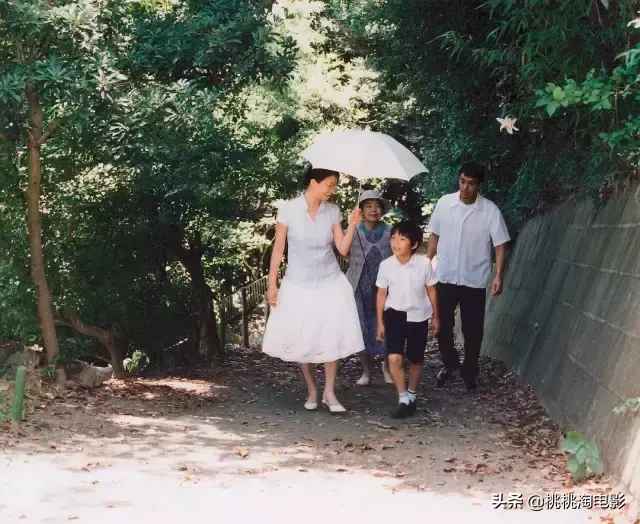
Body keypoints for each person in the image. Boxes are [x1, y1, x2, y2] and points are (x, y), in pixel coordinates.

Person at [263, 166, 364, 413]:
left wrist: (352, 225)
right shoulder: (288, 209)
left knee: (330, 336)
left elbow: (342, 248)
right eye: (329, 184)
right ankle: (311, 389)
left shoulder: (332, 211)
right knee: (303, 338)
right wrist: (272, 284)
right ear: (313, 182)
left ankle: (330, 392)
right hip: (298, 282)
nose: (332, 190)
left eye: (334, 185)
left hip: (329, 280)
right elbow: (278, 249)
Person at [426, 162, 510, 390]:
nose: (465, 187)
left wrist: (498, 275)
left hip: (474, 278)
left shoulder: (489, 210)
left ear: (479, 185)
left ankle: (470, 370)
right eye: (462, 181)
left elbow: (500, 244)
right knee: (441, 326)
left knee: (473, 330)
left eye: (471, 183)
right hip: (445, 275)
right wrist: (426, 263)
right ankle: (450, 362)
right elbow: (434, 234)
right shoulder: (445, 204)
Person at [375, 221, 439, 419]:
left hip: (418, 316)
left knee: (416, 360)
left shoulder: (424, 264)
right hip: (394, 315)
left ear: (413, 244)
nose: (396, 243)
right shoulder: (386, 266)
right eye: (394, 237)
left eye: (402, 239)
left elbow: (431, 290)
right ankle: (402, 397)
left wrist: (436, 316)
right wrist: (379, 322)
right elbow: (381, 295)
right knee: (394, 357)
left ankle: (412, 395)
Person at [345, 190, 394, 386]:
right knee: (363, 327)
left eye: (377, 205)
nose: (374, 210)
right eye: (368, 206)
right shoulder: (353, 229)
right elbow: (339, 248)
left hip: (385, 287)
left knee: (387, 326)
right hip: (358, 285)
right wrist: (350, 225)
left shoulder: (391, 231)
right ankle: (366, 371)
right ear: (361, 210)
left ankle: (387, 367)